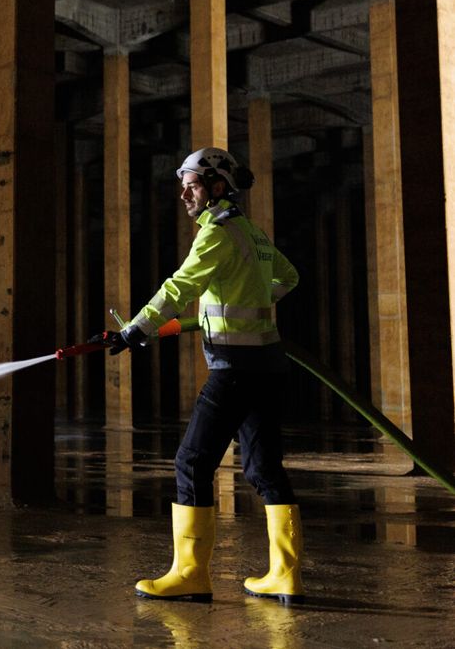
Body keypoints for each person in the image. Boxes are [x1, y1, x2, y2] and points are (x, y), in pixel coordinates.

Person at [102, 147, 303, 604]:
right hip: (268, 364)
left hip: (234, 366)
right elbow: (288, 277)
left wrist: (135, 329)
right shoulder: (252, 233)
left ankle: (191, 574)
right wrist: (253, 298)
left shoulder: (215, 232)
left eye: (191, 186)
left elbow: (181, 286)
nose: (183, 194)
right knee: (265, 467)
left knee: (192, 462)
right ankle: (285, 575)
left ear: (216, 187)